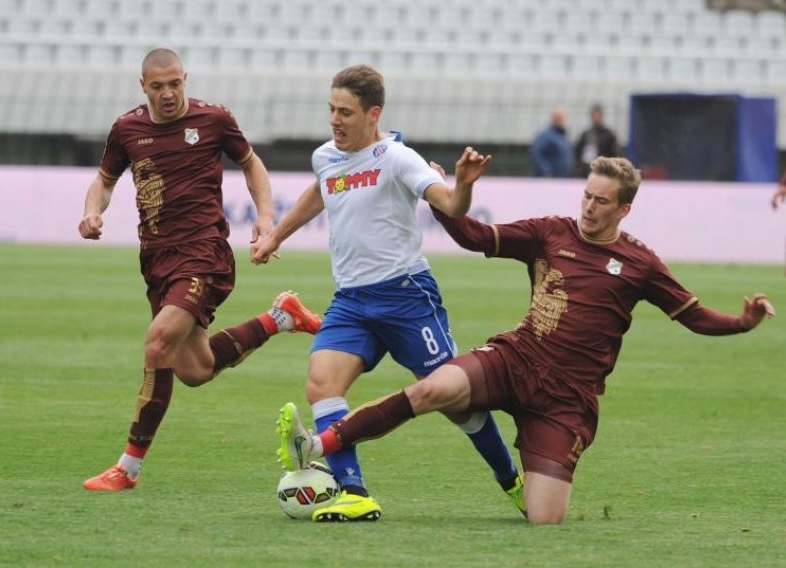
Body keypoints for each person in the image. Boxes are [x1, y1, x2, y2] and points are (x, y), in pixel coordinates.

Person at [276, 156, 775, 524]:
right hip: (516, 358)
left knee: (544, 521)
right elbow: (473, 236)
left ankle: (519, 478)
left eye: (602, 201)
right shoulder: (549, 232)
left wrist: (743, 321)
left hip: (566, 401)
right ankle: (316, 445)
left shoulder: (641, 263)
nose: (589, 208)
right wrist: (452, 194)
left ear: (624, 209)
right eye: (586, 195)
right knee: (431, 390)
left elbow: (695, 317)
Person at [252, 64, 520, 522]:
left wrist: (465, 185)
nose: (335, 120)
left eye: (346, 112)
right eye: (331, 110)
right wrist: (276, 237)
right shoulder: (326, 156)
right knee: (322, 384)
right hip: (352, 301)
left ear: (373, 113)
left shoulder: (399, 159)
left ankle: (511, 480)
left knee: (458, 402)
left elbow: (450, 205)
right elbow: (320, 191)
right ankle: (354, 491)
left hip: (407, 297)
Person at [78, 48, 322, 491]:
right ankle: (281, 316)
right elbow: (105, 179)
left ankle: (128, 468)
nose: (168, 94)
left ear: (185, 79)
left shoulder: (213, 120)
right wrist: (92, 211)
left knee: (157, 345)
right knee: (195, 369)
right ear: (143, 86)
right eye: (158, 86)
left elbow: (251, 163)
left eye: (175, 84)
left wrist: (265, 220)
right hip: (157, 259)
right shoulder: (127, 129)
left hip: (203, 252)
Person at [574, 103, 620, 177]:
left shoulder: (608, 134)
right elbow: (578, 153)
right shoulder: (586, 134)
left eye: (598, 115)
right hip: (588, 171)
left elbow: (615, 153)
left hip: (604, 172)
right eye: (594, 115)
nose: (596, 117)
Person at [530, 106, 574, 178]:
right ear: (553, 118)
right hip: (551, 179)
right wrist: (546, 172)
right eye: (559, 117)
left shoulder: (564, 136)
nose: (561, 120)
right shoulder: (545, 136)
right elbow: (537, 155)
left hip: (563, 178)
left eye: (563, 117)